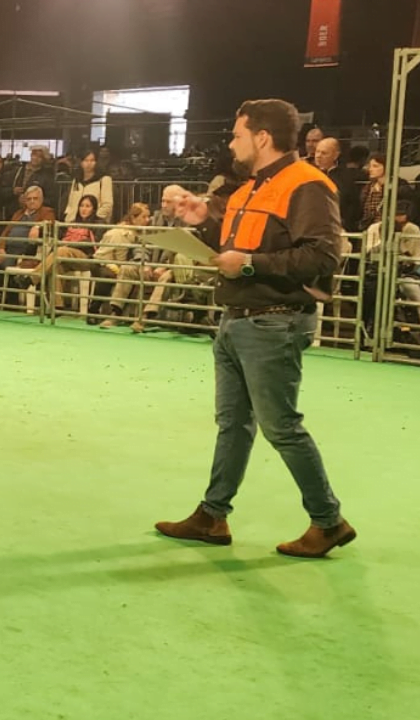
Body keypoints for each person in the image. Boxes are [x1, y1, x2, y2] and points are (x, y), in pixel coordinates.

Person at [155, 98, 354, 558]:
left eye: (237, 134)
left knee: (280, 426)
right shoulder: (251, 187)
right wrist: (204, 222)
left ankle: (328, 521)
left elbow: (323, 256)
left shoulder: (307, 184)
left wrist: (246, 266)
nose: (231, 142)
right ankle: (212, 514)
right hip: (240, 319)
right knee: (234, 424)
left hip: (273, 321)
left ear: (261, 137)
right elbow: (236, 242)